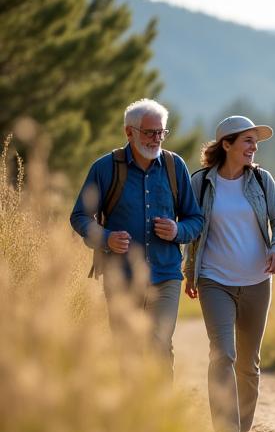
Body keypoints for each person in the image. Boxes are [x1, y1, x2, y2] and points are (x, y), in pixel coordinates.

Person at [70, 98, 204, 378]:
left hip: (166, 276)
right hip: (121, 276)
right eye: (149, 132)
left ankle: (160, 416)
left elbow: (196, 220)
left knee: (160, 346)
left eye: (161, 132)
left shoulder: (174, 166)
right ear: (129, 132)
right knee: (126, 349)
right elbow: (80, 216)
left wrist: (178, 231)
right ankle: (132, 415)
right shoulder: (105, 168)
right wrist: (105, 238)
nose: (156, 139)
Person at [183, 116, 275, 432]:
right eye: (247, 141)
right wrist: (190, 271)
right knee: (222, 354)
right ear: (226, 144)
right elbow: (191, 229)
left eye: (255, 142)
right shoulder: (200, 182)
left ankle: (241, 430)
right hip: (215, 280)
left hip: (257, 281)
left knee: (248, 363)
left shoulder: (261, 180)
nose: (253, 148)